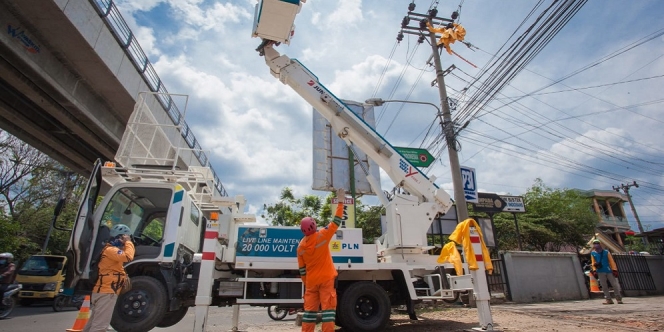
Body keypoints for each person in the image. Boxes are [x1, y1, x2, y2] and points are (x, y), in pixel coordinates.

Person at [297, 188, 345, 332]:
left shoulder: (300, 247)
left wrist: (308, 285)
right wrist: (340, 201)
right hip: (326, 279)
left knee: (309, 314)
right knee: (328, 313)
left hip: (311, 282)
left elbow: (302, 270)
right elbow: (336, 221)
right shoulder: (322, 236)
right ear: (314, 225)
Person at [83, 224, 135, 332]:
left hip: (103, 291)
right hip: (107, 293)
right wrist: (129, 242)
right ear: (119, 237)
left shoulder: (108, 250)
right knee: (100, 327)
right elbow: (128, 256)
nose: (123, 242)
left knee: (93, 323)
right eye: (123, 239)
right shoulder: (111, 251)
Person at [590, 239, 622, 304]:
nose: (596, 244)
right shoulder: (593, 253)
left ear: (600, 244)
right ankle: (608, 299)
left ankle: (618, 298)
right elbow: (593, 263)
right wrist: (594, 270)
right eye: (595, 243)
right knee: (604, 286)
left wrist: (614, 269)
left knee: (614, 284)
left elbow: (611, 261)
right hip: (600, 271)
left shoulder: (606, 252)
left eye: (597, 243)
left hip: (608, 270)